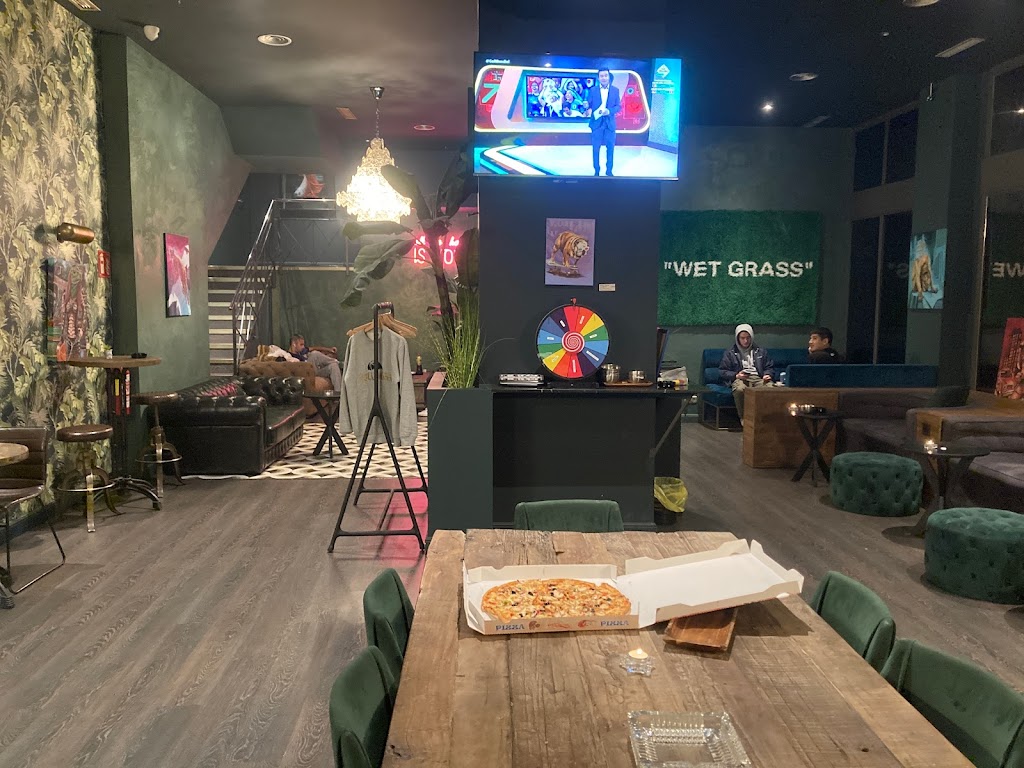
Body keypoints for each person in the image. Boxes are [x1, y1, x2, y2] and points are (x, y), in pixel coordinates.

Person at [718, 324, 776, 422]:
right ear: (738, 338)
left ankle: (766, 418)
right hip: (741, 378)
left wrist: (768, 374)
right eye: (742, 338)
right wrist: (736, 375)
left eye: (748, 338)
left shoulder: (761, 351)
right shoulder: (730, 353)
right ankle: (744, 419)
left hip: (759, 378)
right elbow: (722, 371)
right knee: (739, 389)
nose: (746, 341)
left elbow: (769, 367)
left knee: (771, 388)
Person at [586, 68, 620, 176]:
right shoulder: (593, 90)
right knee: (596, 149)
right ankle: (596, 170)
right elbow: (588, 104)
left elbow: (618, 107)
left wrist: (609, 111)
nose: (604, 78)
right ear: (598, 78)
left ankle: (609, 171)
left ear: (609, 77)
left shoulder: (615, 90)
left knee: (610, 149)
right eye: (601, 76)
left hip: (610, 124)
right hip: (596, 124)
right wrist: (586, 105)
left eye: (606, 75)